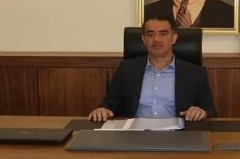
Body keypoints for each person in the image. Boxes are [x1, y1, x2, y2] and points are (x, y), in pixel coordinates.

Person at [88, 14, 217, 122]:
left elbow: (210, 111)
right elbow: (110, 103)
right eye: (150, 34)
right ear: (143, 39)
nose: (156, 39)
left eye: (163, 34)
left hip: (177, 135)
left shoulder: (194, 73)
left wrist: (201, 112)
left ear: (174, 38)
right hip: (134, 135)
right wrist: (103, 109)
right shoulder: (127, 69)